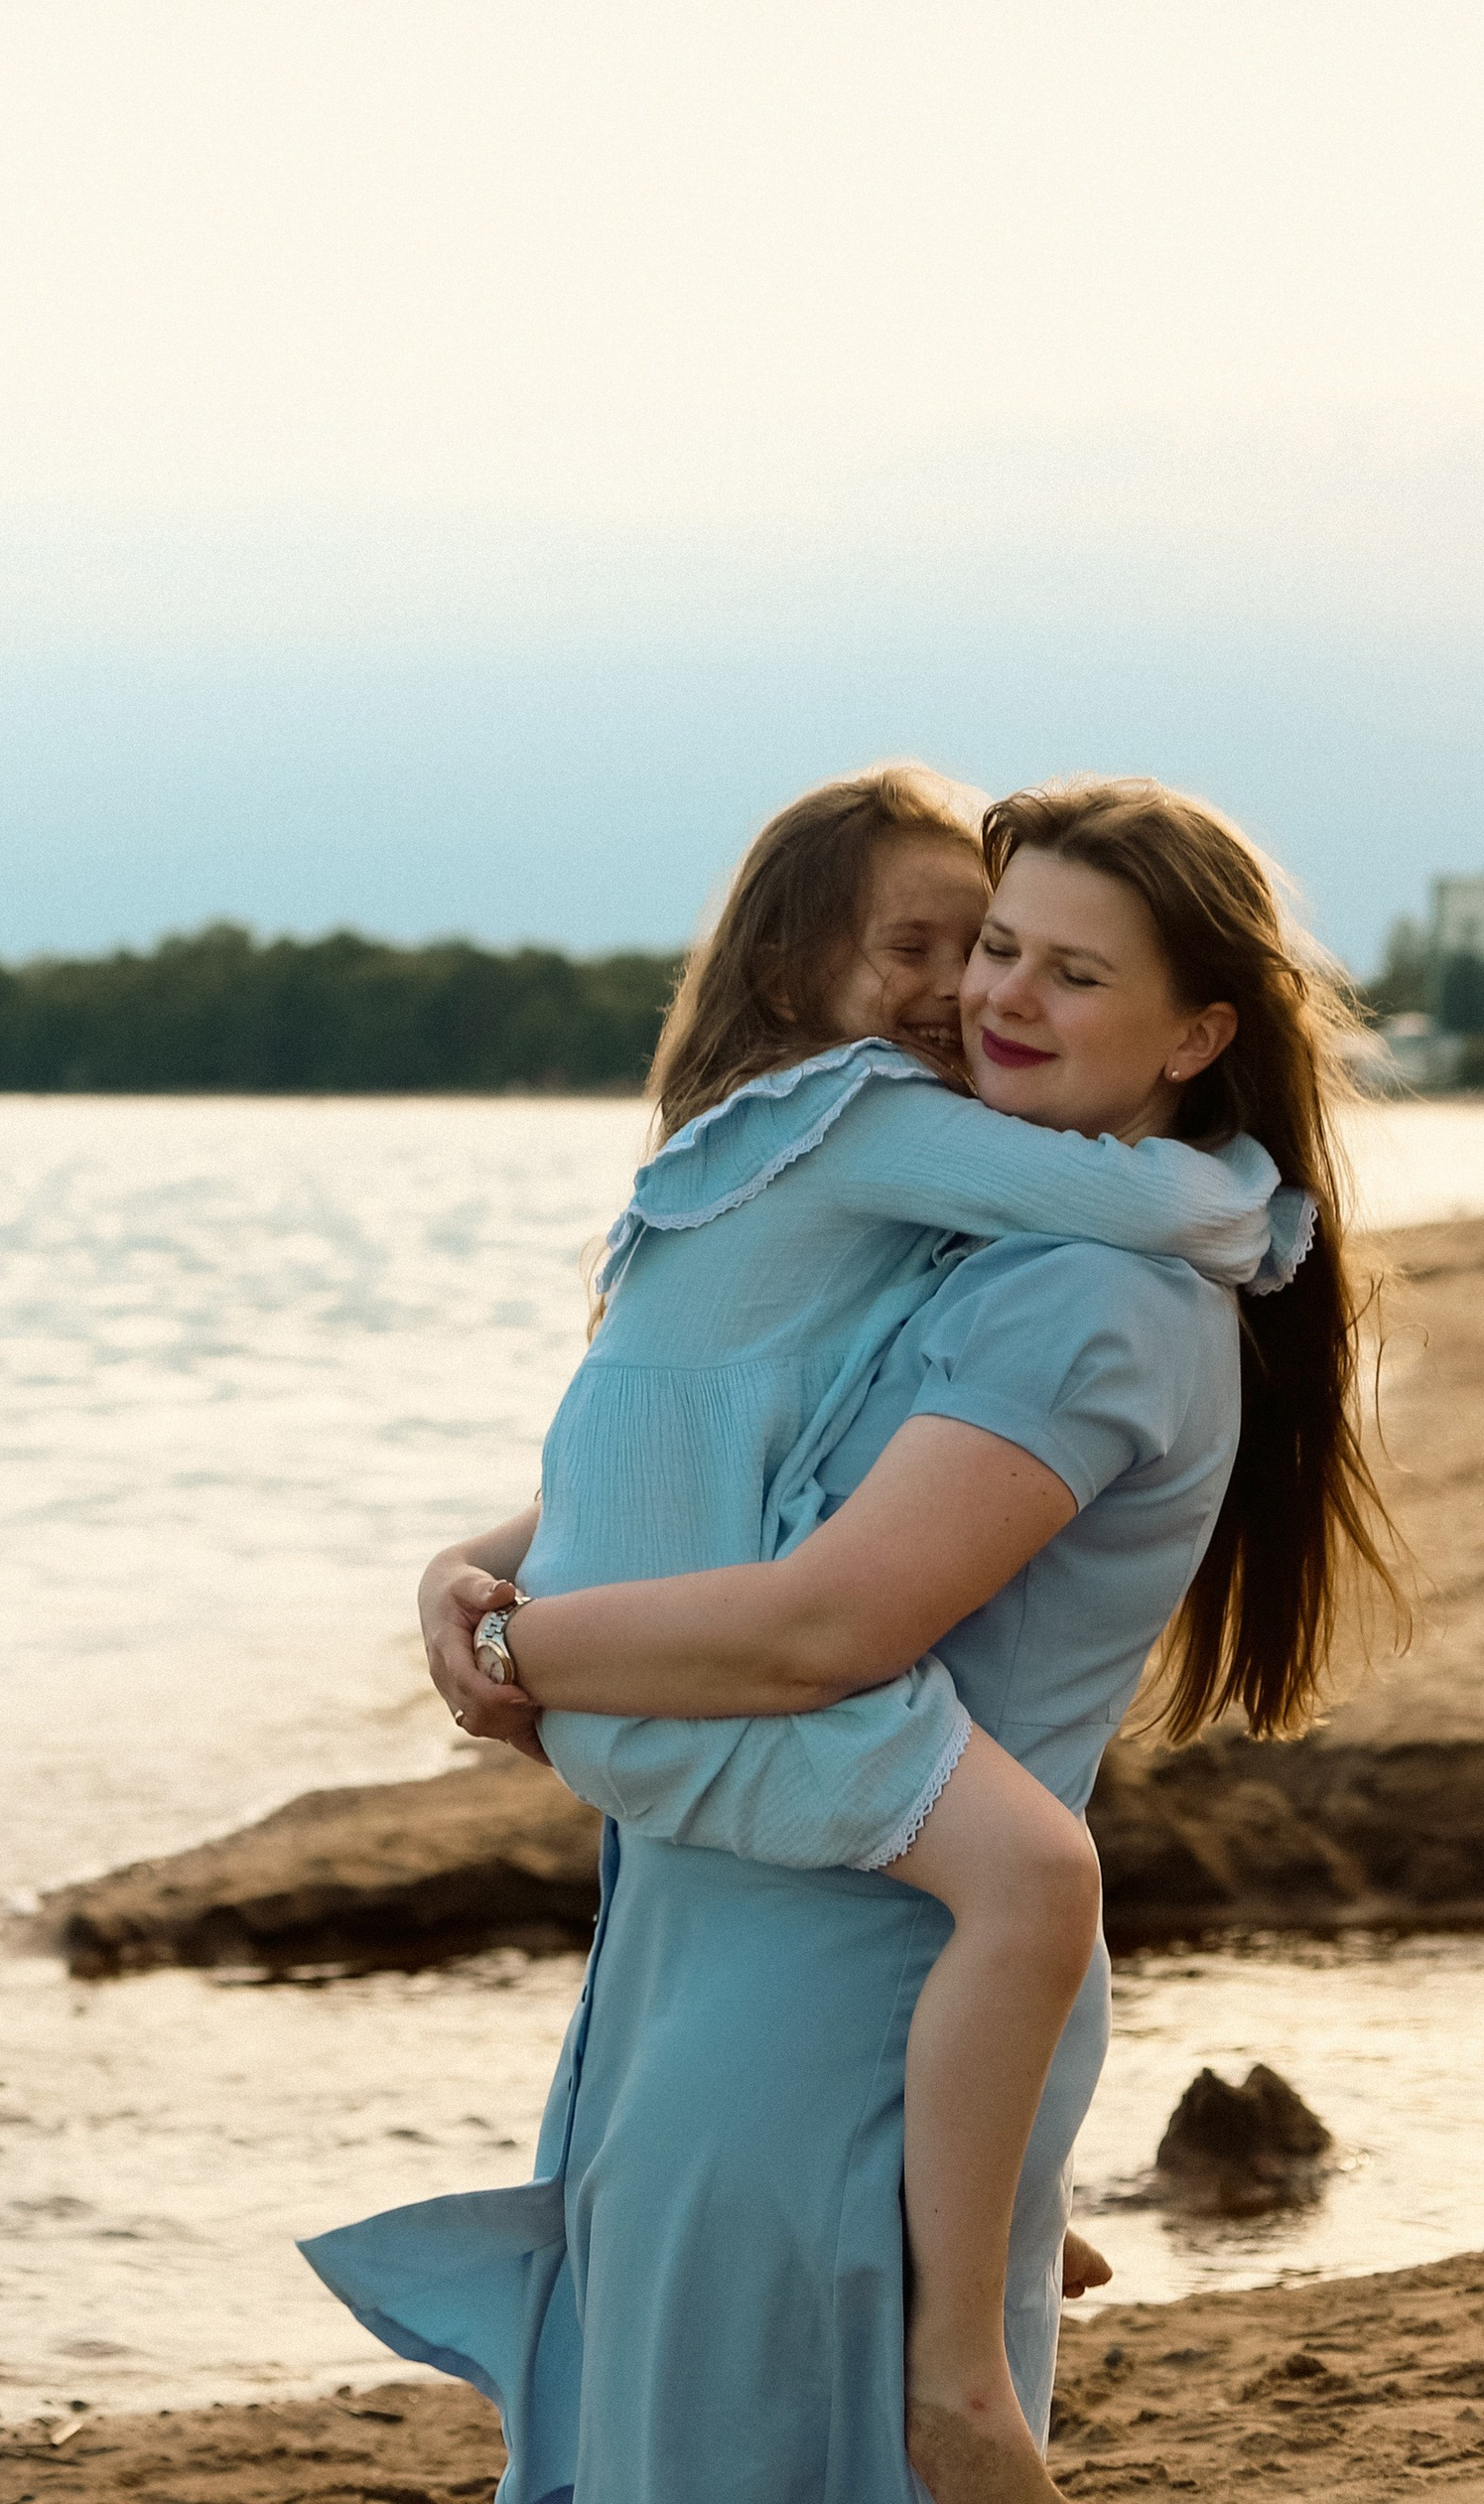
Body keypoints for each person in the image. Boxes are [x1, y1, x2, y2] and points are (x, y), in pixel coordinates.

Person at [303, 773, 1404, 2504]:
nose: (998, 996)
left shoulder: (1086, 1293)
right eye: (993, 948)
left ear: (1200, 1032)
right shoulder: (980, 1229)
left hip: (835, 1998)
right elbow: (744, 1448)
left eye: (1068, 972)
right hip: (719, 1966)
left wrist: (522, 1658)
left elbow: (818, 1624)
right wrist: (485, 1558)